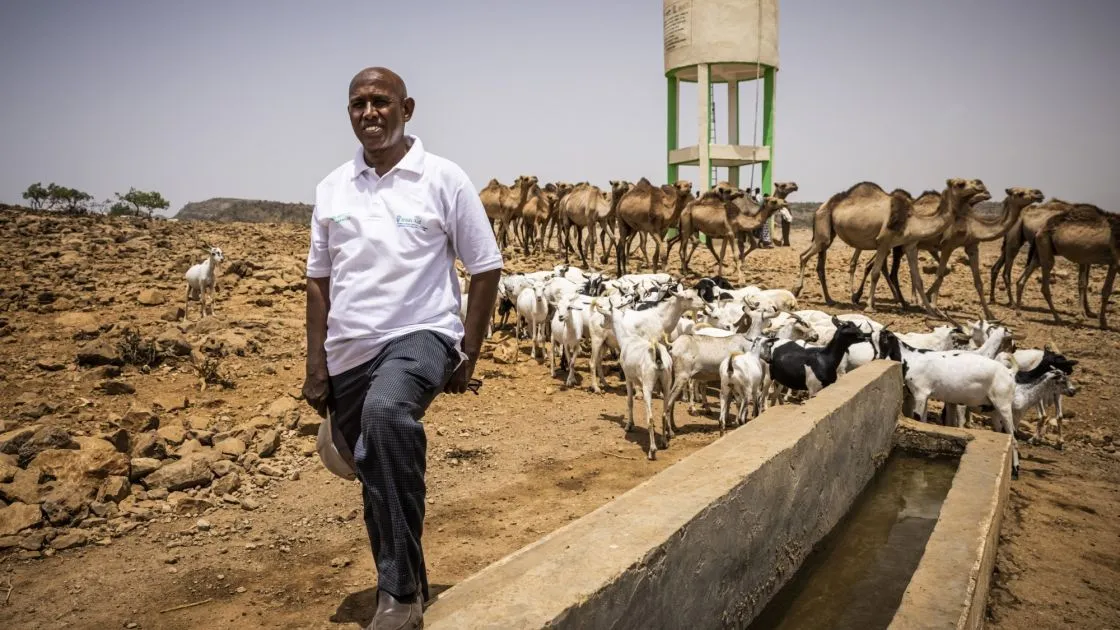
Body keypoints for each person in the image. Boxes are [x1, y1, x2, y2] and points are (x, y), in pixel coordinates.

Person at [302, 66, 503, 630]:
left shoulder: (444, 179)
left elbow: (485, 268)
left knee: (387, 414)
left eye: (381, 102)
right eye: (358, 104)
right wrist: (315, 365)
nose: (369, 113)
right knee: (371, 462)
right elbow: (318, 281)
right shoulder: (331, 188)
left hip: (423, 334)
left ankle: (400, 595)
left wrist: (467, 351)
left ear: (406, 108)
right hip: (349, 352)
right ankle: (402, 574)